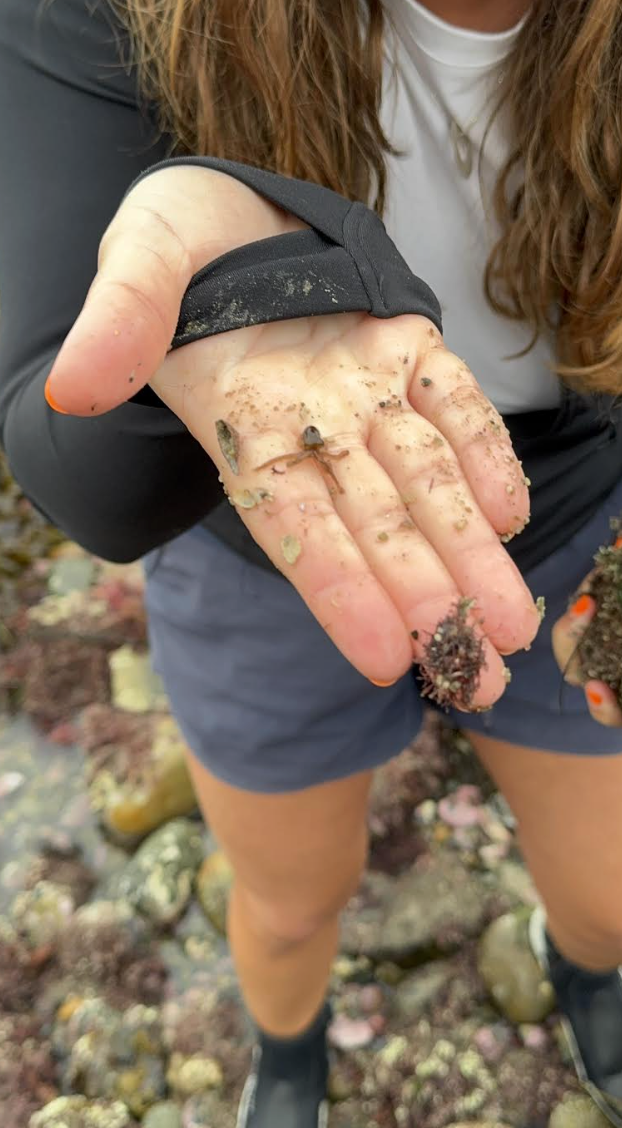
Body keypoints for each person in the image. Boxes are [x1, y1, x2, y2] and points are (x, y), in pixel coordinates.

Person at [2, 0, 622, 1123]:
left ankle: (585, 966)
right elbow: (78, 468)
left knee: (612, 896)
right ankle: (284, 1054)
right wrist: (208, 290)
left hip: (575, 510)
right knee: (289, 904)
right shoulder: (93, 18)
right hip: (270, 547)